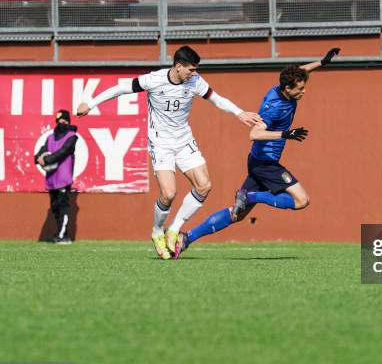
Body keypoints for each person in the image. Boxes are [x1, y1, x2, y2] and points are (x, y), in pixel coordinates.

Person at [76, 46, 263, 259]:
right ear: (178, 66)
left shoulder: (195, 81)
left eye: (195, 70)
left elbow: (216, 98)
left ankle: (174, 230)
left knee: (204, 186)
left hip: (184, 141)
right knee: (169, 194)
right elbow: (119, 88)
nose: (194, 73)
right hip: (161, 143)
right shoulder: (153, 80)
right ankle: (157, 231)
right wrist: (90, 104)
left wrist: (239, 113)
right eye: (190, 70)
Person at [170, 48, 341, 259]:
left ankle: (186, 238)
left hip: (258, 162)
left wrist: (322, 62)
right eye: (300, 89)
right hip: (266, 164)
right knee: (301, 200)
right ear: (288, 88)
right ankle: (251, 196)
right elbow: (255, 134)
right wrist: (286, 134)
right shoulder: (274, 107)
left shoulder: (286, 86)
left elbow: (302, 71)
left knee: (236, 214)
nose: (303, 92)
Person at [35, 109, 78, 244]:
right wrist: (38, 158)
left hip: (63, 178)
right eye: (59, 121)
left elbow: (63, 152)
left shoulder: (72, 136)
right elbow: (42, 150)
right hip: (52, 178)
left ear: (68, 121)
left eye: (64, 120)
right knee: (55, 208)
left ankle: (64, 236)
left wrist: (47, 160)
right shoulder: (50, 137)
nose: (61, 123)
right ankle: (59, 233)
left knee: (63, 206)